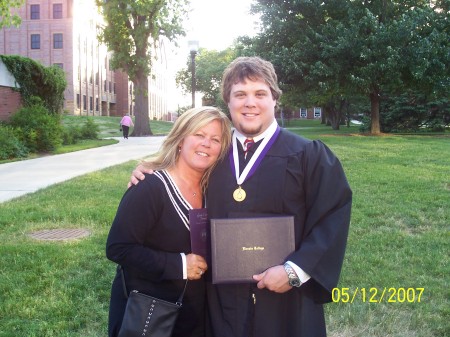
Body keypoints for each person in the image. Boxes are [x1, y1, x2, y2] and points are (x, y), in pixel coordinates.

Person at [129, 57, 352, 337]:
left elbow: (333, 216)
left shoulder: (308, 156)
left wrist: (295, 271)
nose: (250, 103)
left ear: (274, 100)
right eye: (240, 94)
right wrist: (151, 169)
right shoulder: (211, 154)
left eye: (260, 93)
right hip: (221, 298)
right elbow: (178, 179)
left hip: (286, 301)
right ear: (228, 102)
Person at [106, 106, 232, 337]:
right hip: (151, 316)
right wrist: (180, 265)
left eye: (215, 139)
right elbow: (118, 248)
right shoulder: (150, 186)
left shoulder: (213, 190)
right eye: (199, 135)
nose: (207, 144)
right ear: (181, 138)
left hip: (194, 314)